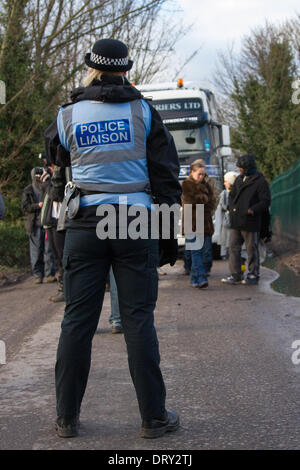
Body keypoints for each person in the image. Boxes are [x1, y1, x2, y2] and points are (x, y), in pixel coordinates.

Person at [44, 38, 182, 439]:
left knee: (77, 322)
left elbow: (57, 163)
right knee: (138, 320)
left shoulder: (67, 116)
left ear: (90, 68)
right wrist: (167, 238)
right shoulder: (144, 112)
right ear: (126, 70)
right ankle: (153, 419)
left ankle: (66, 418)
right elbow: (166, 179)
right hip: (133, 221)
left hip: (85, 222)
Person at [221, 154, 271, 285]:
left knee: (251, 249)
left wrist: (252, 210)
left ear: (248, 168)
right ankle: (235, 274)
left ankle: (253, 274)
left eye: (241, 167)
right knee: (233, 248)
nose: (239, 169)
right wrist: (231, 209)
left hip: (250, 221)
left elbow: (265, 201)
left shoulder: (260, 182)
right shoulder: (239, 179)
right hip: (236, 220)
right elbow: (232, 196)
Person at [181, 160, 215, 288]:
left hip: (205, 223)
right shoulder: (186, 184)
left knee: (203, 251)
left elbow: (211, 202)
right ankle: (201, 278)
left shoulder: (206, 185)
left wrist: (204, 201)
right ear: (192, 172)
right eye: (199, 174)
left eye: (203, 174)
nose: (201, 177)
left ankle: (194, 279)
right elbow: (190, 202)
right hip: (192, 223)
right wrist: (204, 199)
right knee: (195, 252)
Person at [21, 168, 56, 284]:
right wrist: (37, 205)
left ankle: (50, 274)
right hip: (34, 225)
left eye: (40, 175)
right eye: (36, 175)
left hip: (47, 223)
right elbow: (25, 207)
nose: (38, 177)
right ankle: (38, 275)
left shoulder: (48, 187)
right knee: (36, 251)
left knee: (48, 250)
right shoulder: (28, 190)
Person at [40, 163, 66, 302]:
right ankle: (62, 287)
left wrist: (47, 182)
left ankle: (65, 290)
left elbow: (55, 194)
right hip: (51, 222)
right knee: (57, 258)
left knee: (62, 257)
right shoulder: (51, 180)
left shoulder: (62, 176)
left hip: (59, 222)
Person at [214, 171, 239, 259]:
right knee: (226, 240)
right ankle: (225, 254)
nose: (224, 183)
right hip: (227, 222)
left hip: (231, 222)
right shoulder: (224, 193)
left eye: (226, 181)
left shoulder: (227, 194)